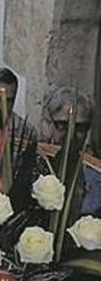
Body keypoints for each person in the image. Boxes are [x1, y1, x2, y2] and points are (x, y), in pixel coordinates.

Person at [40, 87, 98, 218]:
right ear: (49, 123)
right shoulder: (33, 161)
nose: (70, 134)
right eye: (63, 125)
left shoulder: (94, 171)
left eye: (79, 127)